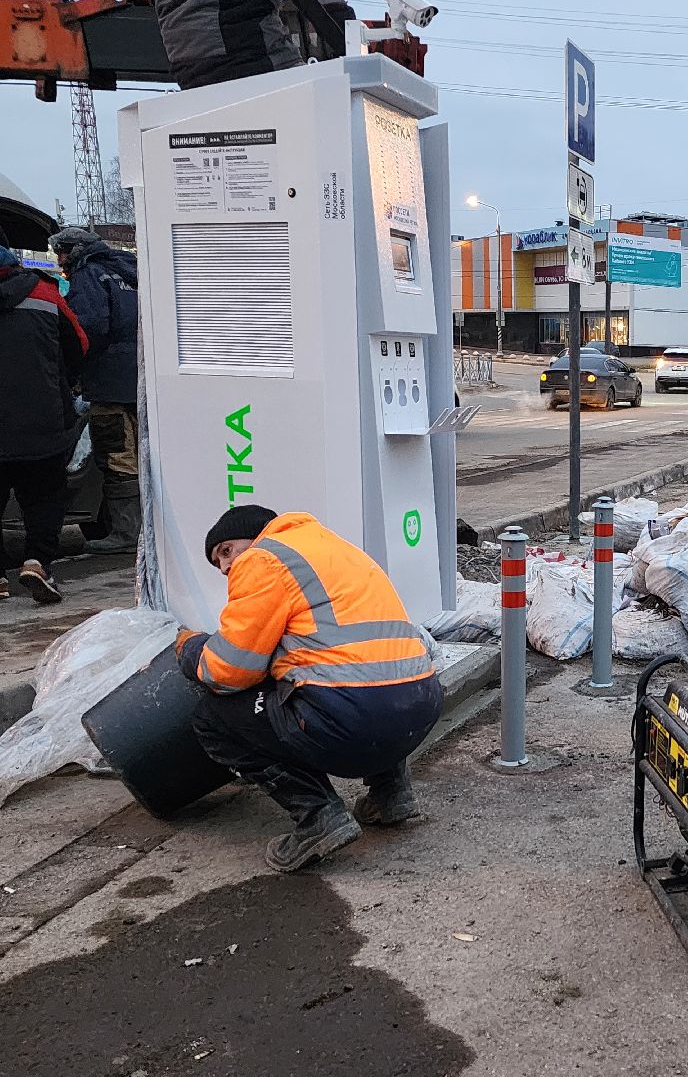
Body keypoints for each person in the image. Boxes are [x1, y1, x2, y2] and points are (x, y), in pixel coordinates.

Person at [176, 505, 441, 872]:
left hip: (355, 718)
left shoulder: (264, 559)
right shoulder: (336, 549)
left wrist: (190, 648)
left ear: (254, 535)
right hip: (420, 705)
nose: (224, 568)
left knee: (213, 716)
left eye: (226, 551)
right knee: (362, 674)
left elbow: (228, 671)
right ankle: (390, 793)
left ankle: (318, 816)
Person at [0, 237, 88, 604]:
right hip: (43, 419)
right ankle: (37, 563)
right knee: (45, 498)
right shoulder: (44, 292)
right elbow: (79, 344)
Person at [51, 228, 142, 555]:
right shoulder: (127, 272)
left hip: (107, 382)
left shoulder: (89, 276)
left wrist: (69, 366)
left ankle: (126, 532)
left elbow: (87, 328)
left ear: (74, 250)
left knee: (116, 453)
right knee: (142, 454)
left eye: (61, 251)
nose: (59, 259)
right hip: (139, 380)